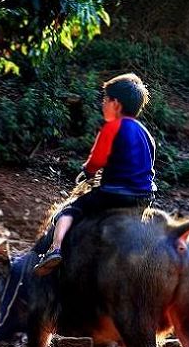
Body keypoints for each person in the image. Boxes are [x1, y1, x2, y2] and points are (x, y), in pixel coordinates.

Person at [33, 73, 156, 276]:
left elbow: (96, 161)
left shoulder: (112, 127)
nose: (103, 103)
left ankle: (54, 249)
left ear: (115, 104)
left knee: (69, 210)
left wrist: (86, 172)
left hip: (114, 195)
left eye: (105, 99)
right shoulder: (146, 134)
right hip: (143, 199)